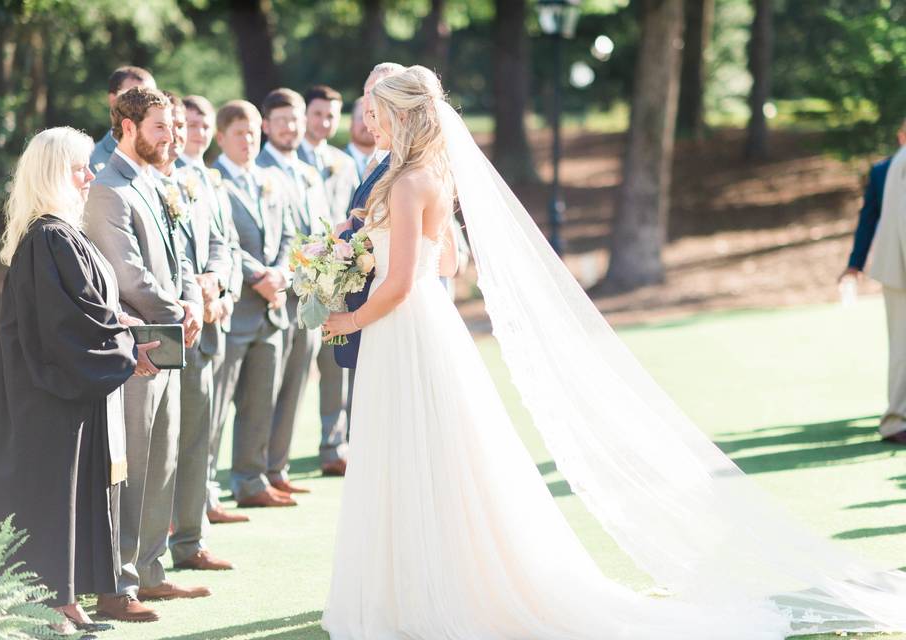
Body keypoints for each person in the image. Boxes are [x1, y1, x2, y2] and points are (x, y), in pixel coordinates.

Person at [320, 66, 906, 639]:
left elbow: (396, 286)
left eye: (380, 113)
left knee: (401, 448)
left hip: (401, 325)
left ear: (399, 114)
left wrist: (349, 314)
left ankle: (407, 589)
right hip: (432, 327)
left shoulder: (402, 182)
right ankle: (441, 581)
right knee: (445, 454)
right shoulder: (435, 177)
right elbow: (445, 265)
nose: (374, 122)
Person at [0, 126, 155, 634]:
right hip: (49, 395)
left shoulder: (62, 234)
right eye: (81, 167)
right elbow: (67, 325)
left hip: (68, 391)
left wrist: (122, 331)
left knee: (75, 495)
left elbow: (90, 312)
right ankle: (50, 605)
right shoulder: (50, 238)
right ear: (57, 173)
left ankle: (67, 600)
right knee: (54, 497)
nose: (90, 175)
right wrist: (126, 350)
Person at [84, 86, 207, 619]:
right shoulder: (109, 189)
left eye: (173, 127)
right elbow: (128, 276)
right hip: (135, 350)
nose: (171, 137)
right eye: (160, 128)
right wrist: (179, 307)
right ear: (127, 128)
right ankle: (120, 583)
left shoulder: (156, 183)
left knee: (163, 459)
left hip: (170, 342)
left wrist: (195, 298)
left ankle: (153, 572)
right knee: (131, 467)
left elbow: (178, 256)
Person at [156, 92, 236, 571]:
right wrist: (193, 290)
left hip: (205, 328)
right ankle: (147, 553)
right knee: (161, 444)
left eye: (185, 127)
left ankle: (190, 542)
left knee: (196, 442)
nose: (181, 136)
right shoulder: (145, 185)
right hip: (166, 328)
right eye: (173, 126)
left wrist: (218, 283)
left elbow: (220, 244)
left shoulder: (194, 183)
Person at [211, 100, 297, 507]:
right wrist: (257, 277)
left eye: (252, 133)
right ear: (221, 137)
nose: (248, 141)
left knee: (261, 403)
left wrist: (280, 273)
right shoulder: (211, 182)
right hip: (236, 309)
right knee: (217, 407)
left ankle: (251, 480)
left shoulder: (269, 180)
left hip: (272, 310)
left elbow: (288, 235)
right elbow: (222, 241)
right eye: (239, 134)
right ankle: (205, 491)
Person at [180, 95, 250, 524]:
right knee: (189, 426)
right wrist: (202, 293)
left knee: (211, 416)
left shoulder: (210, 179)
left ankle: (204, 497)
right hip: (190, 315)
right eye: (190, 125)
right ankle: (186, 509)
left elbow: (229, 245)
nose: (199, 133)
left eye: (205, 125)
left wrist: (226, 293)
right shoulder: (174, 179)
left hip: (219, 312)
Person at [255, 88, 328, 485]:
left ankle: (277, 467)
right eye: (282, 120)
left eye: (296, 119)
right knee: (268, 387)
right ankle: (256, 470)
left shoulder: (309, 172)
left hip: (311, 297)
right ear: (267, 125)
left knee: (299, 381)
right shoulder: (260, 169)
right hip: (274, 295)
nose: (290, 127)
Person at [333, 63, 407, 439]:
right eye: (366, 98)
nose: (368, 112)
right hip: (374, 303)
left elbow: (445, 259)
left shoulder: (408, 172)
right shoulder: (375, 163)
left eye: (377, 101)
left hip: (395, 309)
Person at [298, 85, 360, 476]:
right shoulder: (287, 161)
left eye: (331, 115)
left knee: (338, 363)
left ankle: (335, 444)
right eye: (318, 113)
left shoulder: (344, 162)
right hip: (301, 274)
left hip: (338, 277)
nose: (324, 121)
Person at [840, 119, 906, 443]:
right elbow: (868, 220)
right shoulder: (883, 172)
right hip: (898, 269)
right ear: (901, 135)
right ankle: (896, 420)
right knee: (901, 346)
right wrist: (854, 264)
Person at [89, 66, 156, 173]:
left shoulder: (160, 156)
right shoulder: (92, 163)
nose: (146, 105)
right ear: (113, 100)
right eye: (134, 96)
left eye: (153, 98)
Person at [344, 97, 376, 179]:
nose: (367, 124)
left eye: (373, 117)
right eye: (362, 118)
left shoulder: (390, 164)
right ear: (351, 123)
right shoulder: (336, 161)